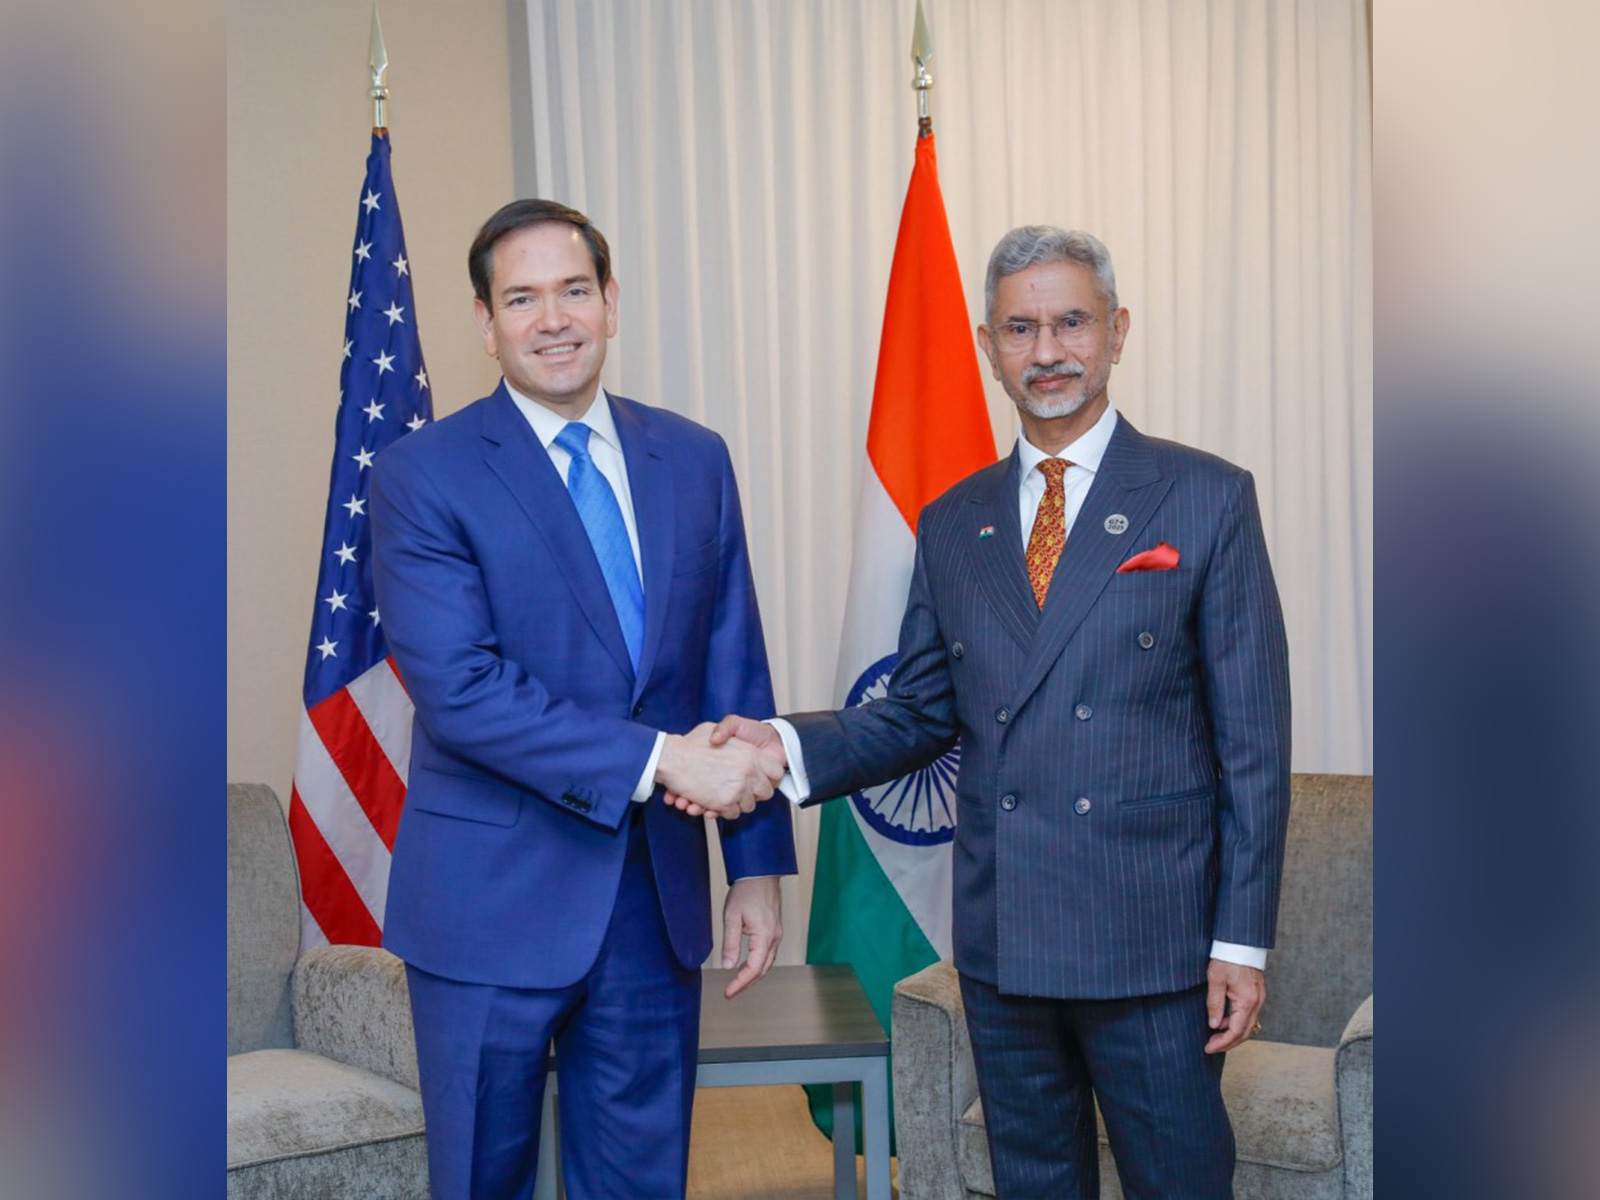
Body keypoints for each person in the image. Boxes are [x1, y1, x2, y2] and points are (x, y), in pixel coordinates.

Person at [680, 226, 1291, 1199]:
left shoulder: (1204, 497)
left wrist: (1239, 943)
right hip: (1006, 943)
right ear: (986, 343)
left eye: (1069, 322)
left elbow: (1253, 747)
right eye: (1019, 327)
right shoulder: (953, 520)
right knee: (1033, 1183)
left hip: (1152, 942)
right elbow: (919, 714)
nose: (1046, 349)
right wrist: (781, 746)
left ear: (1116, 330)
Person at [370, 198, 797, 1200]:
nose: (551, 318)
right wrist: (662, 762)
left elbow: (732, 669)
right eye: (521, 298)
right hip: (487, 905)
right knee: (482, 1179)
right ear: (485, 322)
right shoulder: (419, 474)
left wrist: (756, 865)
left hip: (651, 904)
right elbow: (461, 689)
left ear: (610, 303)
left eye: (572, 291)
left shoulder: (693, 458)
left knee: (644, 1181)